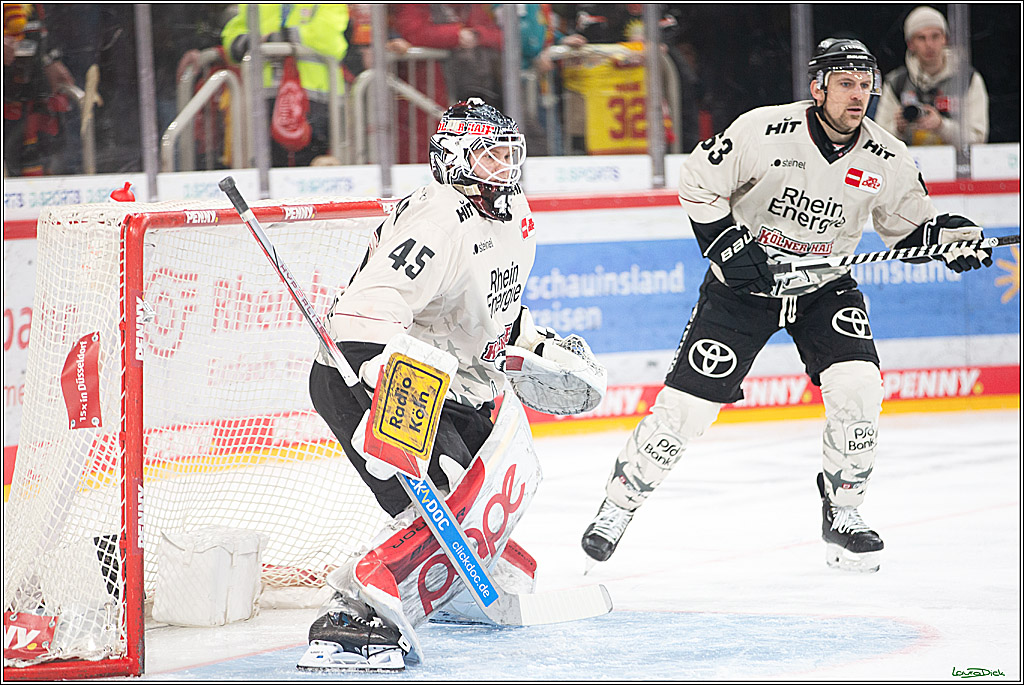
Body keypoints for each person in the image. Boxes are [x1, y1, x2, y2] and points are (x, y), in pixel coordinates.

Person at [580, 38, 993, 575]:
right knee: (686, 408)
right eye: (846, 84)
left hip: (826, 289)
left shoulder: (888, 155)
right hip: (743, 289)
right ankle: (618, 505)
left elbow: (909, 230)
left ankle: (844, 512)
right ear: (818, 86)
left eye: (865, 85)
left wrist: (947, 239)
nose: (858, 96)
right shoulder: (763, 129)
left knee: (858, 386)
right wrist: (727, 244)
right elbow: (698, 180)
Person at [298, 98, 606, 670]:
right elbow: (361, 322)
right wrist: (384, 394)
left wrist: (532, 346)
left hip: (454, 377)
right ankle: (352, 615)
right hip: (371, 374)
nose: (505, 168)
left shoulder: (513, 215)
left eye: (511, 155)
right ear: (454, 156)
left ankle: (461, 579)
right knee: (444, 493)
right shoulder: (437, 220)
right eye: (491, 156)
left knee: (484, 489)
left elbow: (496, 307)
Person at [221, 4, 349, 167]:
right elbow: (231, 40)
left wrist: (275, 39)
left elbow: (329, 40)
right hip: (265, 99)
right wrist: (251, 42)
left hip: (315, 99)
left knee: (312, 169)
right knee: (270, 167)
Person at [873, 6, 989, 146]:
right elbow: (878, 139)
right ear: (910, 44)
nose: (929, 44)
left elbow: (978, 137)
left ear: (945, 39)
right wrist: (898, 129)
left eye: (935, 36)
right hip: (909, 162)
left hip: (956, 164)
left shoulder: (968, 79)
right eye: (921, 38)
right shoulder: (897, 82)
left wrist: (941, 126)